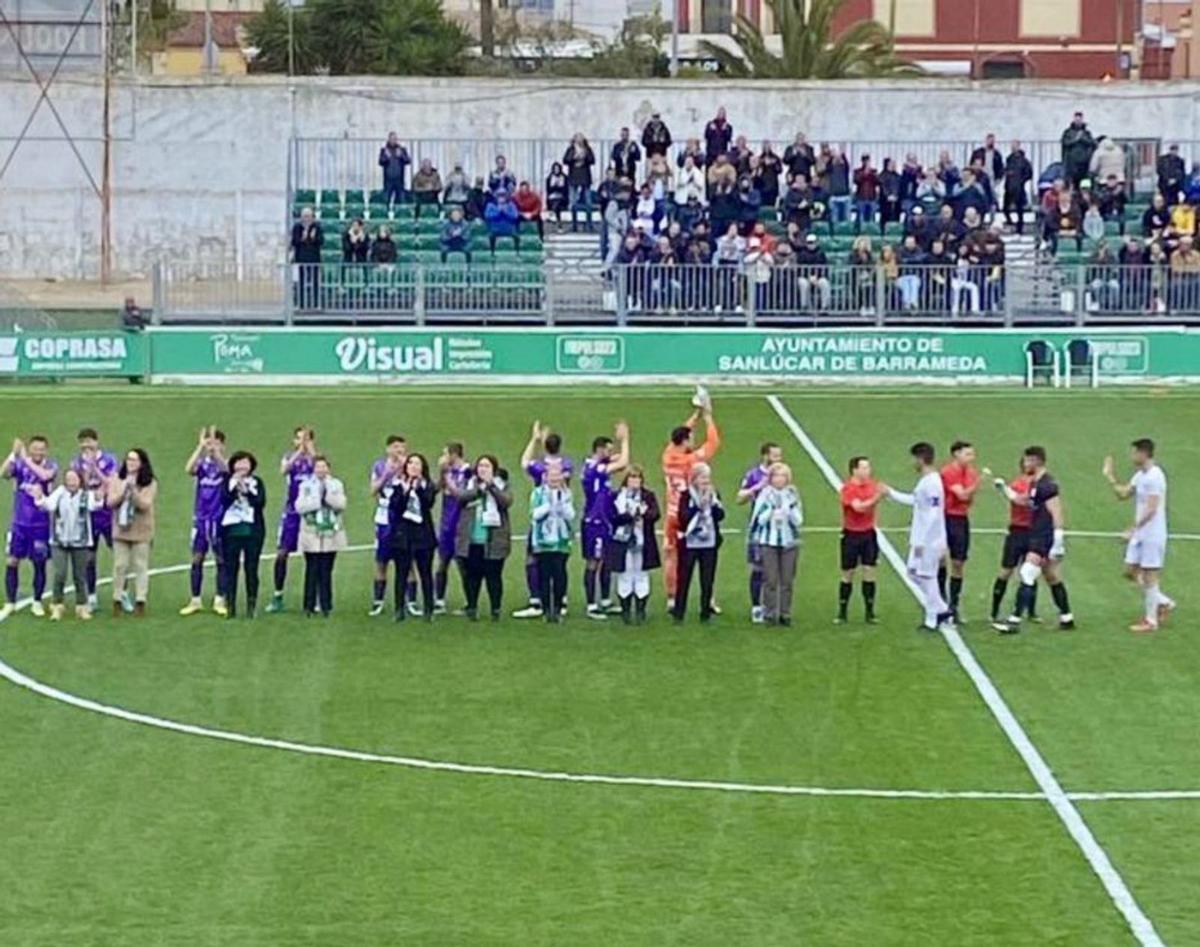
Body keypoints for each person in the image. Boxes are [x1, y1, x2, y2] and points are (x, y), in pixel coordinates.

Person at [991, 446, 1074, 633]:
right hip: (1039, 534)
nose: (1024, 464)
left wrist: (1058, 541)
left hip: (1043, 536)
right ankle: (1067, 618)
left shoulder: (1047, 485)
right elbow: (1025, 501)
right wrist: (1005, 489)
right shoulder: (1037, 484)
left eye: (1028, 460)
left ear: (1036, 461)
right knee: (1051, 576)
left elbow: (1057, 512)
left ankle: (1014, 621)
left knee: (1027, 573)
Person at [1103, 439, 1175, 633]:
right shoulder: (1140, 476)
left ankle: (1151, 621)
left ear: (1144, 453)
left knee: (1150, 575)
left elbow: (1152, 508)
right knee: (1130, 571)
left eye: (1134, 453)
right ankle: (1162, 602)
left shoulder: (1155, 476)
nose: (1132, 456)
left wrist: (1132, 529)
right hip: (1141, 534)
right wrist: (1110, 476)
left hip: (1152, 534)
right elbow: (1124, 494)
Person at [661, 387, 721, 609]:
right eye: (690, 438)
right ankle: (709, 598)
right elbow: (713, 443)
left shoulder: (667, 456)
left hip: (672, 513)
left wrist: (694, 415)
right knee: (703, 553)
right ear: (685, 441)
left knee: (671, 554)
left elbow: (681, 433)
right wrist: (707, 417)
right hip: (692, 514)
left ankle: (671, 597)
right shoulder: (691, 461)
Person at [885, 442, 954, 633]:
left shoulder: (932, 482)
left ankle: (932, 618)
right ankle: (941, 609)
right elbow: (915, 501)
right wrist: (890, 493)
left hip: (929, 540)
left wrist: (922, 541)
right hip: (924, 538)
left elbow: (932, 513)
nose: (912, 463)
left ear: (921, 459)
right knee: (914, 573)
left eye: (914, 459)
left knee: (925, 575)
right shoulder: (927, 481)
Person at [513, 422, 575, 619]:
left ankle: (538, 599)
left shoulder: (540, 468)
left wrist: (535, 440)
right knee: (557, 566)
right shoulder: (567, 464)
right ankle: (557, 601)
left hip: (550, 526)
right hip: (553, 525)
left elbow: (524, 461)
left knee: (537, 562)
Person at [448, 454, 512, 621]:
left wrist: (491, 487)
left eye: (487, 466)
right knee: (471, 576)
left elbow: (506, 502)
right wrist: (479, 490)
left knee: (493, 576)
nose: (483, 469)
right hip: (472, 538)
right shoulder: (470, 484)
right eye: (481, 466)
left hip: (494, 539)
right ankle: (471, 606)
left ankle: (495, 609)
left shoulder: (501, 485)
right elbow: (461, 497)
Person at [35, 468, 101, 622]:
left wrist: (99, 498)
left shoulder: (86, 495)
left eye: (74, 479)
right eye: (68, 479)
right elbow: (48, 505)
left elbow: (95, 505)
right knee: (60, 573)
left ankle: (82, 606)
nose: (71, 482)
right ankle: (57, 605)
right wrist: (39, 497)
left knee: (80, 575)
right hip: (60, 541)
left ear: (80, 481)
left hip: (81, 541)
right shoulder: (59, 493)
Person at [581, 422, 631, 620]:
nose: (611, 453)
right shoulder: (596, 468)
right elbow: (623, 463)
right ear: (599, 450)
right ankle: (591, 605)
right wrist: (625, 439)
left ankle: (605, 601)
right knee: (594, 562)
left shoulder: (595, 465)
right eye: (608, 450)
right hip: (594, 522)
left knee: (605, 561)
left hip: (604, 521)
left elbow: (619, 460)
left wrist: (617, 450)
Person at [265, 425, 316, 614]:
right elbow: (284, 470)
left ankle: (313, 598)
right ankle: (278, 595)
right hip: (292, 513)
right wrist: (299, 452)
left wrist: (309, 449)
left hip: (311, 514)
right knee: (282, 554)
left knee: (314, 556)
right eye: (299, 439)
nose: (302, 442)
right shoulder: (289, 457)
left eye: (306, 439)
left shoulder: (316, 460)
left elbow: (321, 471)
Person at [180, 426, 228, 618]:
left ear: (222, 445)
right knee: (197, 558)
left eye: (215, 442)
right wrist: (200, 447)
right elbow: (188, 469)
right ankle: (195, 599)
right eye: (209, 442)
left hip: (219, 519)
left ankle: (220, 598)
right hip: (200, 518)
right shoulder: (202, 465)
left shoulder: (226, 463)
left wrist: (215, 453)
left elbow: (227, 470)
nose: (211, 446)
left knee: (220, 559)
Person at [750, 462, 803, 627]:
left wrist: (788, 512)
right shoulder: (765, 495)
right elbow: (758, 519)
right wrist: (771, 512)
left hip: (789, 542)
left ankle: (785, 614)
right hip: (769, 542)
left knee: (787, 580)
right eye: (776, 476)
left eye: (783, 476)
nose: (780, 479)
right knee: (770, 579)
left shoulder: (792, 495)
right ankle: (770, 613)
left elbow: (799, 520)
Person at [70, 427, 117, 611]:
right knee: (89, 558)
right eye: (83, 442)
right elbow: (79, 486)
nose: (86, 445)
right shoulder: (76, 463)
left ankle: (122, 593)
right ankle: (91, 595)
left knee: (118, 555)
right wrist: (87, 470)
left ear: (96, 442)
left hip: (108, 514)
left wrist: (95, 468)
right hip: (87, 517)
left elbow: (110, 482)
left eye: (89, 441)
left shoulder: (109, 459)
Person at [107, 448, 157, 618]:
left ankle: (141, 600)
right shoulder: (116, 479)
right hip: (121, 529)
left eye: (135, 460)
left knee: (140, 565)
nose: (131, 463)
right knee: (120, 565)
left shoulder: (149, 482)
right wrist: (123, 491)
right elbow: (110, 502)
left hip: (141, 530)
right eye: (129, 459)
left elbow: (145, 504)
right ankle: (117, 598)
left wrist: (133, 492)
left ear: (142, 463)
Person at [987, 460, 1038, 625]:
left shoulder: (1040, 484)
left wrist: (1004, 489)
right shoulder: (1019, 483)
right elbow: (1020, 501)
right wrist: (1007, 490)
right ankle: (994, 611)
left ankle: (1030, 611)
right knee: (1006, 571)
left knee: (1031, 570)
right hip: (1017, 531)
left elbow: (1024, 500)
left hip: (1034, 531)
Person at [737, 442, 783, 624]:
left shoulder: (782, 474)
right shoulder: (753, 475)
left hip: (779, 528)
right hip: (759, 528)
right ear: (766, 456)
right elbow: (739, 498)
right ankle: (756, 606)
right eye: (776, 456)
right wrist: (758, 487)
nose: (779, 460)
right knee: (758, 568)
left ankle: (771, 605)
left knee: (775, 569)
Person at [387, 453, 438, 622]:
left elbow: (428, 503)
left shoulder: (428, 486)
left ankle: (429, 609)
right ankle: (399, 609)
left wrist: (418, 489)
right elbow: (395, 506)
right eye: (411, 463)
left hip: (423, 536)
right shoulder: (398, 486)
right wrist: (406, 490)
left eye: (417, 463)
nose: (414, 466)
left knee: (425, 573)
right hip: (403, 536)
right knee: (401, 573)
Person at [607, 466, 660, 625]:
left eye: (638, 478)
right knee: (625, 573)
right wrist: (628, 516)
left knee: (642, 574)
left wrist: (643, 513)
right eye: (632, 478)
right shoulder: (617, 496)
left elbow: (656, 514)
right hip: (622, 542)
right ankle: (625, 610)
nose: (635, 481)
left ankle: (641, 609)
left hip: (643, 541)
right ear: (626, 480)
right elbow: (612, 517)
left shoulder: (648, 496)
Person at [672, 464, 724, 624]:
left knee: (707, 579)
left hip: (709, 542)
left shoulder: (714, 494)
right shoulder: (686, 496)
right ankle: (679, 612)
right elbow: (682, 517)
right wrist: (698, 507)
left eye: (707, 478)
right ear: (694, 479)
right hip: (689, 543)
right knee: (684, 578)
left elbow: (721, 515)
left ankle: (705, 611)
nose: (705, 482)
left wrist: (713, 505)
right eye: (702, 478)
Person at [295, 455, 347, 618]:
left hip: (331, 532)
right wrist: (317, 501)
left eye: (324, 467)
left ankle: (326, 605)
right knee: (312, 569)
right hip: (311, 532)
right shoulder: (306, 485)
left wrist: (328, 498)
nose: (321, 470)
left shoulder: (336, 484)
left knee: (327, 569)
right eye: (318, 467)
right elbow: (299, 506)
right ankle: (308, 605)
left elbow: (341, 504)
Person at [219, 450, 267, 619]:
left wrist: (246, 489)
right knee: (231, 569)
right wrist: (235, 486)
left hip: (253, 531)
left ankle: (251, 605)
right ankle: (230, 606)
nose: (241, 466)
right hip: (231, 530)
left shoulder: (257, 482)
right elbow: (224, 499)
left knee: (251, 568)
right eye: (238, 463)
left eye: (245, 463)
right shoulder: (226, 482)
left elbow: (260, 502)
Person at [838, 456, 884, 624]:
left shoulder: (872, 486)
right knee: (847, 574)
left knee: (869, 571)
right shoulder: (848, 489)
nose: (867, 471)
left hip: (868, 534)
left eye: (868, 468)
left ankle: (870, 612)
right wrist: (877, 498)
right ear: (855, 470)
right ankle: (842, 611)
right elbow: (859, 508)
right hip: (851, 535)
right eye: (864, 468)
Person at [939, 440, 980, 622]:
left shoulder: (970, 473)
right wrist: (978, 483)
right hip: (945, 518)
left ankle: (954, 605)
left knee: (958, 562)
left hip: (961, 519)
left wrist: (971, 490)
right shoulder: (948, 472)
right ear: (956, 454)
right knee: (940, 559)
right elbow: (962, 494)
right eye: (967, 454)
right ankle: (940, 600)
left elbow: (967, 498)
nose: (971, 458)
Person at [530, 459, 575, 624]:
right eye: (552, 476)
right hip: (543, 541)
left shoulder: (566, 494)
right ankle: (546, 609)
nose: (555, 479)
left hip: (561, 541)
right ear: (545, 477)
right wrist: (549, 506)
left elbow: (571, 515)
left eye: (558, 476)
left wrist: (561, 505)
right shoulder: (538, 493)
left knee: (560, 575)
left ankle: (557, 607)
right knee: (544, 575)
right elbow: (534, 515)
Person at [369, 434, 408, 617]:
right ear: (388, 449)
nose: (399, 450)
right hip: (384, 518)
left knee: (410, 561)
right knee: (381, 561)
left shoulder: (410, 464)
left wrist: (403, 469)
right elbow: (373, 490)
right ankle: (378, 601)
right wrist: (386, 473)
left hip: (405, 518)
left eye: (401, 447)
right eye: (395, 447)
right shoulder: (379, 466)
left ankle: (411, 601)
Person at [435, 442, 472, 613]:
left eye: (445, 454)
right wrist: (442, 474)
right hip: (446, 524)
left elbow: (461, 495)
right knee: (442, 562)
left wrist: (447, 478)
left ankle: (470, 603)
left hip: (462, 524)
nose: (442, 458)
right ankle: (439, 600)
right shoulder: (447, 471)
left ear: (454, 454)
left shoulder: (469, 472)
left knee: (463, 564)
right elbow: (436, 489)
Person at [290, 207, 323, 310]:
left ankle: (316, 304)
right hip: (301, 258)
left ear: (312, 217)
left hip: (314, 259)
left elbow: (321, 241)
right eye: (304, 216)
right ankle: (300, 304)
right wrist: (302, 238)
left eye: (309, 216)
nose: (306, 218)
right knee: (300, 282)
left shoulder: (317, 227)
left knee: (315, 282)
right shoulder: (297, 227)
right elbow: (294, 242)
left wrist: (314, 238)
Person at [563, 133, 596, 232]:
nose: (579, 140)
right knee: (573, 202)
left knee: (588, 202)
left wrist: (585, 157)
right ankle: (574, 224)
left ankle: (589, 224)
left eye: (580, 138)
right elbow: (565, 160)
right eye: (577, 138)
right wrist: (574, 157)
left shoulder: (587, 149)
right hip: (574, 178)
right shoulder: (571, 149)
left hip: (585, 178)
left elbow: (592, 160)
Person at [1003, 140, 1033, 235]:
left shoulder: (1024, 161)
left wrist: (1021, 180)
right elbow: (1006, 170)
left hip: (1019, 188)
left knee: (1020, 210)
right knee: (1005, 208)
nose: (1013, 147)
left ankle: (1019, 228)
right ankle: (1010, 222)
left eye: (1015, 146)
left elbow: (1029, 173)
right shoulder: (1008, 159)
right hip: (1008, 187)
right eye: (1012, 146)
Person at [1061, 111, 1096, 188]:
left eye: (1080, 119)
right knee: (1071, 184)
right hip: (1071, 164)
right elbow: (1065, 143)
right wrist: (1076, 139)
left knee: (1084, 184)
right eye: (1076, 119)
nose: (1078, 121)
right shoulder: (1068, 132)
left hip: (1084, 164)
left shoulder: (1087, 133)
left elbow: (1092, 143)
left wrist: (1083, 139)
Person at [378, 132, 411, 206]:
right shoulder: (384, 150)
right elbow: (380, 162)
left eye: (395, 139)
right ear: (389, 139)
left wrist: (401, 156)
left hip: (399, 179)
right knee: (386, 199)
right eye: (391, 139)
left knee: (401, 199)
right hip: (388, 179)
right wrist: (386, 157)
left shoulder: (402, 150)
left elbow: (408, 161)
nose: (393, 140)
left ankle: (401, 215)